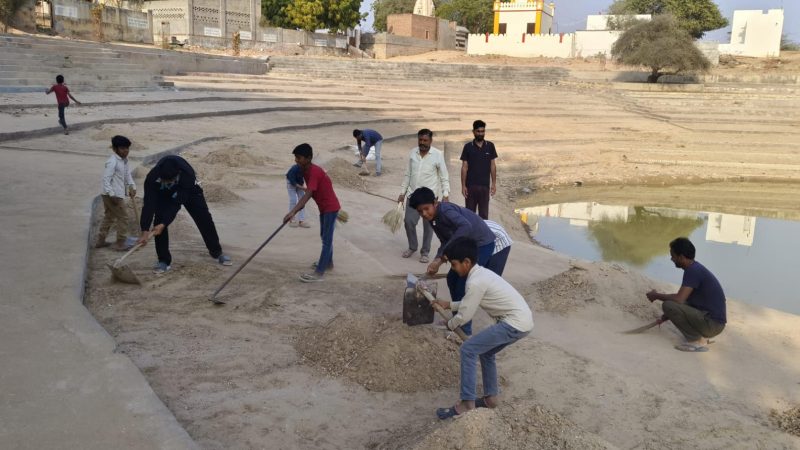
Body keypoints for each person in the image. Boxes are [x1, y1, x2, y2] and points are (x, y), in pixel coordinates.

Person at [430, 238, 533, 420]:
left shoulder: (475, 282)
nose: (452, 269)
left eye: (454, 265)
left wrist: (449, 324)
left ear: (466, 262)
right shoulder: (481, 275)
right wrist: (449, 305)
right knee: (486, 353)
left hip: (512, 323)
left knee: (468, 349)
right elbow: (469, 303)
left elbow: (465, 316)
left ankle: (467, 403)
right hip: (522, 323)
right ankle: (490, 399)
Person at [409, 187, 495, 336]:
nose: (424, 214)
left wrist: (440, 258)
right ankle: (457, 318)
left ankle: (464, 328)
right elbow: (445, 241)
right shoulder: (433, 219)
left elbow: (465, 226)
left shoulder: (446, 211)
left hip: (481, 243)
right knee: (452, 278)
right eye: (420, 212)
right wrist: (438, 260)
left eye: (426, 209)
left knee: (463, 284)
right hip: (466, 244)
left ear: (435, 203)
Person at [137, 155, 232, 274]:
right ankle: (164, 260)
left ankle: (216, 252)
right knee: (159, 220)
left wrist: (164, 223)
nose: (167, 182)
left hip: (189, 191)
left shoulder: (188, 175)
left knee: (204, 218)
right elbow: (149, 204)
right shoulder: (152, 178)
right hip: (163, 193)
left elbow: (176, 204)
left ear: (178, 174)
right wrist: (145, 229)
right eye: (164, 179)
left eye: (169, 180)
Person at [646, 237, 727, 353]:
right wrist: (668, 316)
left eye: (673, 256)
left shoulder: (693, 271)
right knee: (671, 306)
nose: (671, 259)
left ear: (681, 257)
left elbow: (679, 299)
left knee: (668, 305)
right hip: (715, 323)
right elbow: (687, 301)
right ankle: (701, 337)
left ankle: (695, 341)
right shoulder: (695, 268)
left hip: (712, 325)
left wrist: (656, 295)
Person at [283, 143, 341, 283]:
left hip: (330, 208)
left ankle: (319, 272)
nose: (296, 160)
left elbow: (308, 194)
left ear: (309, 158)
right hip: (324, 207)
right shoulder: (303, 169)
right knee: (325, 237)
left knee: (326, 241)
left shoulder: (314, 171)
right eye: (295, 157)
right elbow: (292, 178)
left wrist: (293, 212)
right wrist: (295, 210)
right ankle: (328, 263)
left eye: (299, 157)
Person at [398, 129, 450, 264]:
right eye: (420, 140)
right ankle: (412, 247)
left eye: (425, 140)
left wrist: (445, 195)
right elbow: (408, 174)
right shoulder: (413, 153)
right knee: (408, 221)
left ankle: (425, 252)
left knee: (429, 226)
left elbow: (444, 177)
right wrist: (402, 192)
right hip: (413, 195)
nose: (422, 143)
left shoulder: (438, 155)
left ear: (431, 141)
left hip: (429, 199)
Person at [96, 135, 136, 251]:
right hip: (112, 195)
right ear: (115, 149)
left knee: (109, 217)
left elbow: (127, 175)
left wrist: (132, 186)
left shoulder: (124, 161)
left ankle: (101, 240)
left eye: (127, 148)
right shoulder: (112, 162)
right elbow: (106, 179)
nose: (126, 151)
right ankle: (120, 242)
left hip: (115, 194)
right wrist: (111, 194)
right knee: (124, 217)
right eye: (123, 148)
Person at [460, 120, 497, 220]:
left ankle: (482, 235)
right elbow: (464, 167)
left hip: (485, 187)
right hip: (470, 187)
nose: (481, 134)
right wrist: (463, 185)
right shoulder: (467, 147)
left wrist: (493, 184)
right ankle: (470, 236)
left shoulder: (490, 146)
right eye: (478, 131)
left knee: (484, 216)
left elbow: (492, 165)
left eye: (482, 131)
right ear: (473, 132)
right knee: (469, 216)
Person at [285, 163, 310, 228]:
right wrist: (304, 188)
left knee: (302, 201)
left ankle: (301, 221)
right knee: (293, 200)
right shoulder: (294, 169)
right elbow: (293, 183)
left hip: (299, 183)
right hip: (291, 183)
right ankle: (291, 219)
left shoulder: (306, 169)